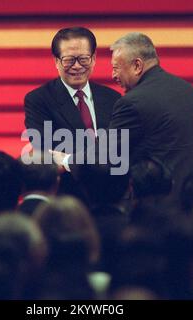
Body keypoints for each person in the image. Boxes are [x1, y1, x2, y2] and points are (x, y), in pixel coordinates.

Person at [52, 32, 193, 202]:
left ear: (137, 66)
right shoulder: (190, 92)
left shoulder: (133, 102)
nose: (113, 75)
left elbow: (105, 153)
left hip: (157, 203)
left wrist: (66, 161)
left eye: (116, 68)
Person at [24, 27, 121, 199]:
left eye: (83, 59)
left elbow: (119, 148)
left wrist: (68, 160)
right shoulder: (39, 100)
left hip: (110, 195)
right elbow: (45, 154)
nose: (77, 66)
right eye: (69, 60)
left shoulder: (112, 98)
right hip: (67, 198)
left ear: (94, 59)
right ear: (56, 61)